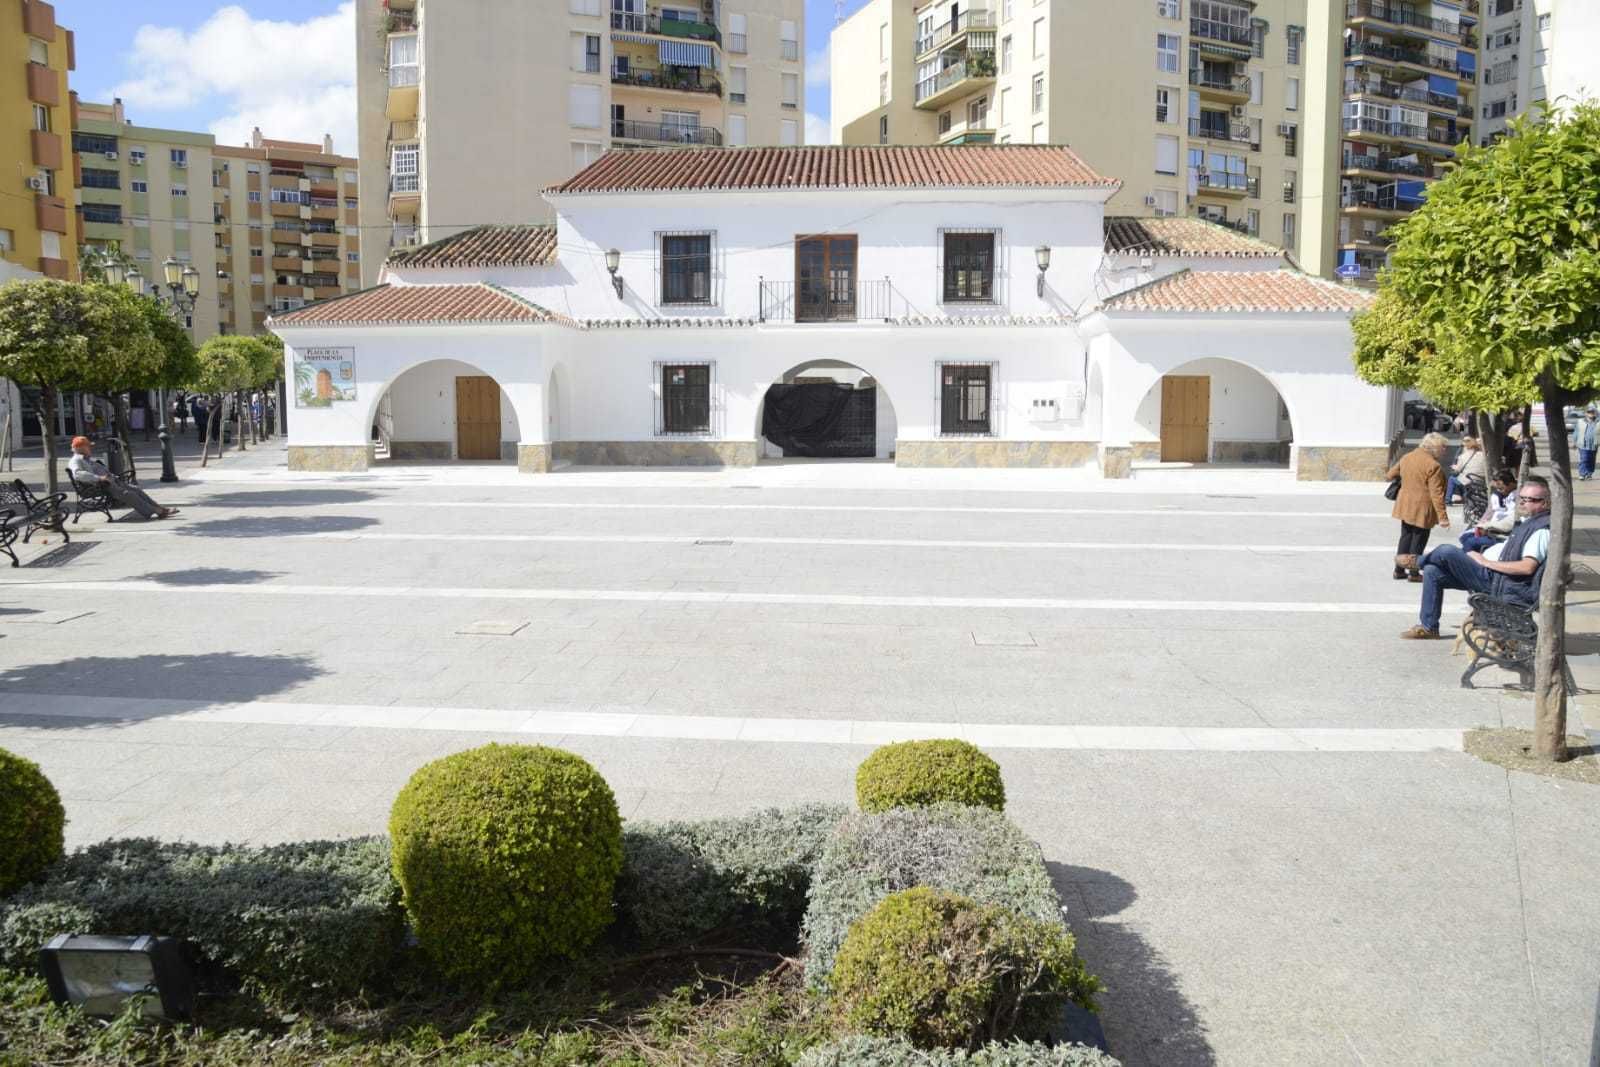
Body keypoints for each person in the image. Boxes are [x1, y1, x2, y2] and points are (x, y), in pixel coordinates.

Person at [1401, 475, 1551, 640]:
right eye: (1521, 498)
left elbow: (1527, 567)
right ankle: (1429, 627)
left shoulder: (1540, 531)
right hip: (1494, 575)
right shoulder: (1528, 522)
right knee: (1432, 571)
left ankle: (1418, 562)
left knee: (1447, 551)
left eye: (1529, 499)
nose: (1522, 502)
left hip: (1497, 581)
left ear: (1544, 503)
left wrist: (1486, 562)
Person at [1386, 431, 1450, 581]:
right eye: (1443, 447)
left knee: (1405, 537)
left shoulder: (1407, 457)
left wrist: (1407, 478)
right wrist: (1443, 517)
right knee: (1418, 540)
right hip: (1423, 508)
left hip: (1405, 504)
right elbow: (1436, 493)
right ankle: (1413, 573)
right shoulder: (1433, 465)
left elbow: (1389, 475)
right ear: (1434, 447)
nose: (1445, 451)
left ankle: (1399, 570)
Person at [66, 437, 179, 520]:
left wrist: (111, 477)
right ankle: (158, 511)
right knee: (129, 494)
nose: (90, 448)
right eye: (88, 446)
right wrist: (99, 478)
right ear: (80, 448)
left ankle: (160, 508)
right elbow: (78, 474)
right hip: (101, 486)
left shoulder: (85, 458)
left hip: (110, 481)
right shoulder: (76, 460)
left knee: (135, 489)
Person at [1458, 468, 1517, 553]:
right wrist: (1481, 525)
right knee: (1465, 537)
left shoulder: (1517, 497)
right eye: (1497, 488)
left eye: (1501, 488)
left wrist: (1487, 526)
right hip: (1492, 528)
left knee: (1470, 542)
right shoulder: (1499, 495)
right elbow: (1489, 512)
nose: (1499, 491)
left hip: (1500, 533)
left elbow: (1508, 522)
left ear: (1511, 484)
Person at [1446, 435, 1484, 504]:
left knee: (1452, 479)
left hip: (1469, 479)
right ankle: (1463, 497)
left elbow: (1458, 469)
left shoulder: (1462, 456)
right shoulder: (1483, 455)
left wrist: (1454, 467)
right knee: (1461, 478)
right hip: (1481, 479)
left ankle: (1448, 499)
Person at [1574, 406, 1598, 481]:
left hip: (1594, 445)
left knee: (1591, 460)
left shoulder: (1598, 422)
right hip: (1582, 444)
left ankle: (1589, 474)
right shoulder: (1580, 421)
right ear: (1586, 413)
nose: (1591, 413)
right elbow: (1576, 432)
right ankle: (1582, 474)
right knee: (1584, 459)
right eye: (1589, 412)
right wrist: (1574, 442)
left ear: (1595, 413)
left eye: (1592, 412)